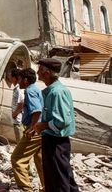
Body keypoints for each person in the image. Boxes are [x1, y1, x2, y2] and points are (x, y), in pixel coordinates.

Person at [34, 58, 79, 192]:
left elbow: (62, 121)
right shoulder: (52, 90)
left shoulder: (56, 92)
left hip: (55, 142)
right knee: (64, 176)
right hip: (55, 141)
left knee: (57, 180)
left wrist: (43, 125)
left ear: (47, 73)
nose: (37, 72)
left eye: (40, 70)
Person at [11, 68, 44, 192]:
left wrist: (31, 128)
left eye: (19, 79)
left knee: (17, 159)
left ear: (25, 80)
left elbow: (36, 110)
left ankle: (26, 189)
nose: (18, 82)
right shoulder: (36, 89)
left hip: (34, 131)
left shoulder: (30, 91)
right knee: (40, 161)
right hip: (40, 130)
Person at [9, 68, 25, 143]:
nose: (10, 78)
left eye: (11, 76)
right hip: (17, 119)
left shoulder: (19, 88)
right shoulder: (16, 88)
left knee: (20, 139)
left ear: (15, 78)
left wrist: (15, 114)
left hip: (18, 119)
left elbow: (22, 102)